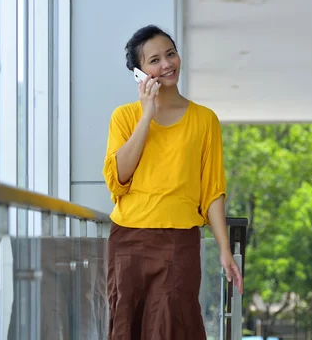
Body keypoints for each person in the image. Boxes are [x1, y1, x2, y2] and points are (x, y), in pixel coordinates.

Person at [103, 25, 243, 339]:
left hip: (179, 242)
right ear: (139, 73)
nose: (167, 64)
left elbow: (212, 193)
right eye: (155, 60)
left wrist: (224, 249)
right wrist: (146, 114)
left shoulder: (204, 119)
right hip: (128, 239)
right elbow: (119, 177)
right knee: (127, 325)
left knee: (174, 325)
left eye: (171, 53)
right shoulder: (124, 117)